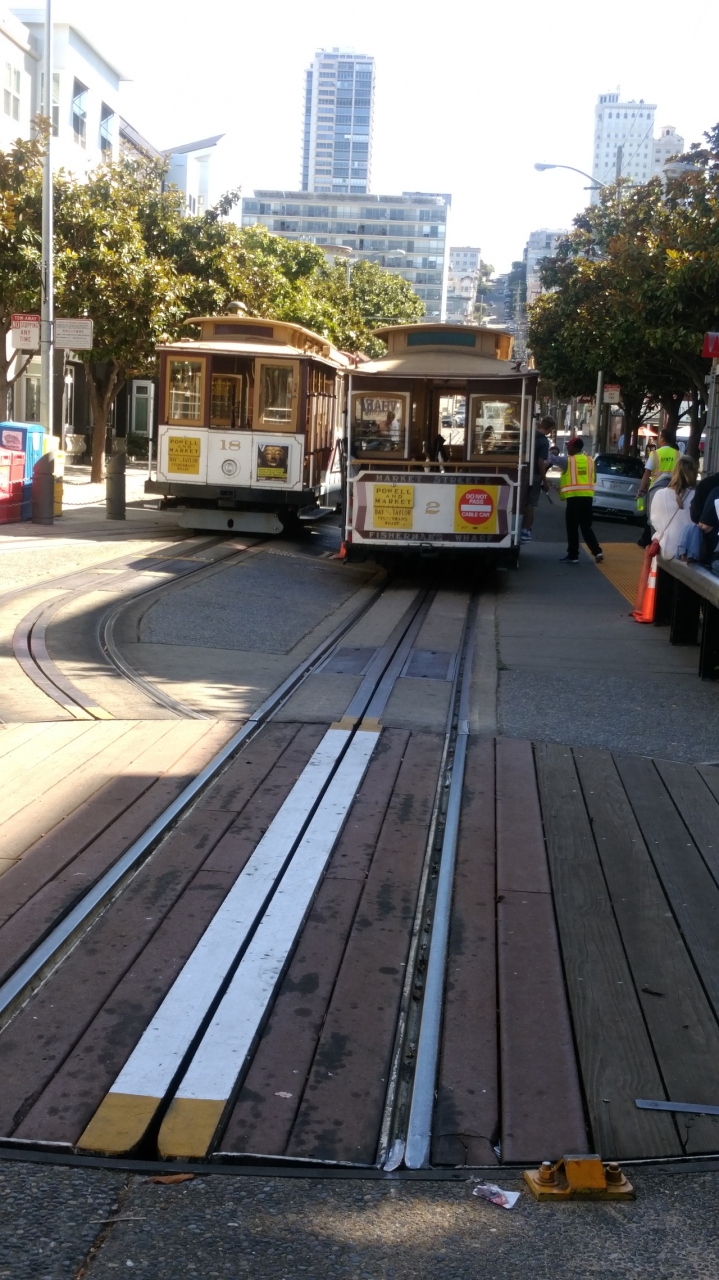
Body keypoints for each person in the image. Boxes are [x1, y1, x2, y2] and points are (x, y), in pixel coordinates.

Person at [552, 437, 603, 563]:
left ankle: (573, 555)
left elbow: (549, 459)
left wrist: (550, 451)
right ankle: (597, 552)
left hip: (574, 498)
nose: (567, 448)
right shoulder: (590, 460)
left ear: (575, 448)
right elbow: (594, 478)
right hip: (587, 497)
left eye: (569, 446)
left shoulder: (568, 461)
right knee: (586, 526)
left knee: (572, 526)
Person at [637, 427, 680, 547]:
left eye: (660, 437)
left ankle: (653, 544)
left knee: (653, 519)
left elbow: (647, 473)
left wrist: (641, 490)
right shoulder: (678, 454)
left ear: (663, 439)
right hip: (674, 490)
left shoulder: (655, 454)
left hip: (655, 490)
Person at [650, 456, 697, 559]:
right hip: (688, 552)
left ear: (674, 472)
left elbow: (654, 522)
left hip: (665, 549)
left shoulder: (660, 494)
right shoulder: (698, 496)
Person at [522, 416, 554, 541]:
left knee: (522, 500)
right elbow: (540, 462)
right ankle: (525, 530)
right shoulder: (544, 442)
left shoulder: (528, 436)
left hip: (522, 472)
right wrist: (544, 481)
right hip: (535, 475)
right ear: (550, 428)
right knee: (531, 503)